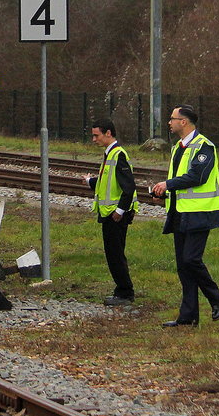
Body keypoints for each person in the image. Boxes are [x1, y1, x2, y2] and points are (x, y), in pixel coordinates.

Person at [152, 105, 219, 327]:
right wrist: (166, 195)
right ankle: (188, 316)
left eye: (172, 119)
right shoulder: (178, 148)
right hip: (180, 213)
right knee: (183, 267)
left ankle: (216, 298)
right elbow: (181, 182)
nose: (169, 122)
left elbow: (197, 176)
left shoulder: (204, 147)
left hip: (200, 213)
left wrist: (168, 184)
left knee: (191, 259)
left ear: (183, 122)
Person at [85, 119, 138, 306]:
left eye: (96, 135)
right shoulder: (109, 155)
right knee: (113, 253)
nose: (93, 139)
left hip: (115, 216)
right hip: (109, 213)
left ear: (108, 133)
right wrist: (91, 182)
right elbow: (109, 184)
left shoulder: (118, 155)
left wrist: (120, 210)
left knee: (115, 254)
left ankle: (125, 292)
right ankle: (122, 290)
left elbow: (129, 186)